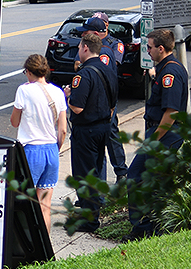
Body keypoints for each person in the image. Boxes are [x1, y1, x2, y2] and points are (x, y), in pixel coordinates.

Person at [126, 28, 189, 241]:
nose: (148, 51)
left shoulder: (170, 73)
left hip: (164, 135)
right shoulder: (165, 69)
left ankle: (144, 229)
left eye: (150, 47)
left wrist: (153, 140)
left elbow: (171, 112)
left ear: (161, 49)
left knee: (136, 178)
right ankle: (152, 227)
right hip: (162, 134)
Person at [63, 32, 116, 232]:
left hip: (86, 130)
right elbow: (113, 103)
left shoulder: (84, 74)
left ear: (85, 48)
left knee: (84, 175)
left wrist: (67, 95)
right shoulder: (107, 69)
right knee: (94, 171)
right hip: (103, 126)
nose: (78, 52)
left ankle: (89, 220)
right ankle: (92, 214)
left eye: (78, 48)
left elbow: (77, 107)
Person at [10, 54, 68, 233]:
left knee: (23, 203)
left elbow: (14, 121)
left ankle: (26, 247)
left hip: (31, 150)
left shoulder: (24, 91)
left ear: (28, 71)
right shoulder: (58, 92)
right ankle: (45, 249)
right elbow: (63, 129)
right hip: (51, 150)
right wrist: (56, 148)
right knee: (45, 205)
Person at [81, 13, 128, 180]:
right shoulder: (86, 45)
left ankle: (121, 172)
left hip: (106, 97)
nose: (83, 35)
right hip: (91, 97)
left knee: (111, 134)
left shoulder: (113, 45)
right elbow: (77, 64)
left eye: (86, 31)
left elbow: (107, 67)